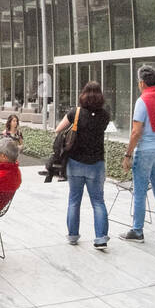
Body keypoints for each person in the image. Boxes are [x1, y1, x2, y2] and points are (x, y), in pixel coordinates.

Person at [121, 64, 155, 245]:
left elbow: (136, 132)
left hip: (145, 151)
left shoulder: (142, 101)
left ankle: (137, 231)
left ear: (141, 83)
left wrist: (128, 155)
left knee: (140, 192)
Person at [56, 81, 112, 249]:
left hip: (75, 162)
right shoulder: (105, 115)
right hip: (96, 163)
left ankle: (73, 235)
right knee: (98, 201)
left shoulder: (75, 112)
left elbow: (58, 129)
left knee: (74, 200)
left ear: (83, 95)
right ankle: (101, 238)